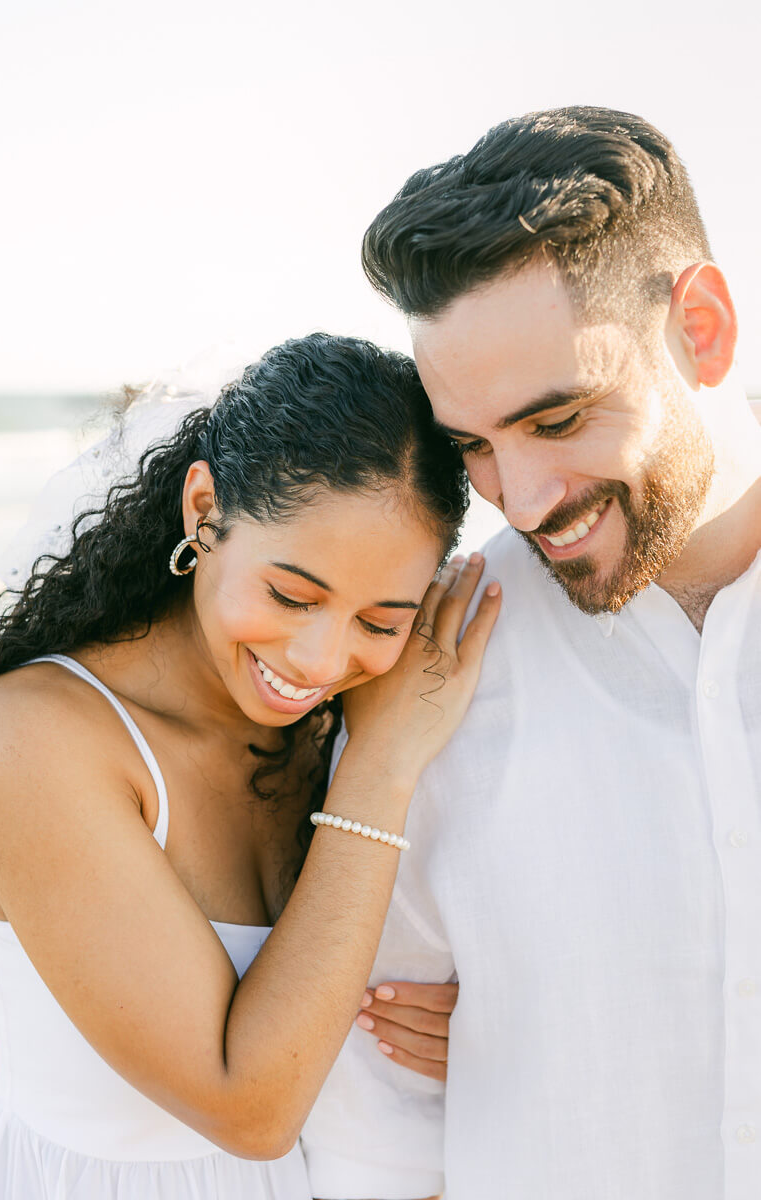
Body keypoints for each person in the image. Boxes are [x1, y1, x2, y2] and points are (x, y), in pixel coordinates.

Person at [300, 109, 761, 1200]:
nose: (524, 500)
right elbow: (374, 1139)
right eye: (474, 446)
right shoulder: (432, 680)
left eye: (558, 421)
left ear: (699, 328)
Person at [0, 332, 501, 1199]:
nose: (322, 660)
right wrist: (380, 768)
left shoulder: (349, 715)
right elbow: (250, 1107)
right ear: (203, 507)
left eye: (380, 619)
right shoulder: (31, 738)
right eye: (292, 595)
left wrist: (492, 1027)